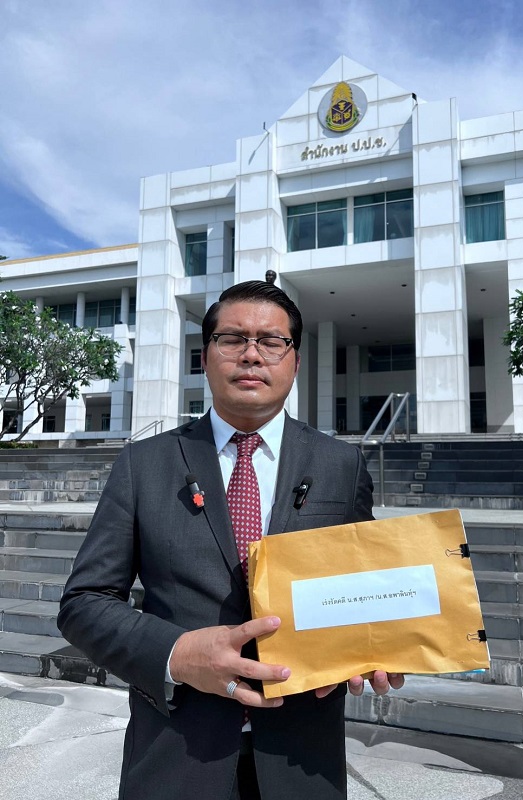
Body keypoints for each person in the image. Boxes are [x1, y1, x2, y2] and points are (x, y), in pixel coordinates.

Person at [58, 280, 404, 800]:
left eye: (271, 341)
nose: (251, 354)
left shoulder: (341, 465)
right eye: (232, 339)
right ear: (205, 357)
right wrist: (177, 653)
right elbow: (84, 603)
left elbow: (367, 587)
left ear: (295, 361)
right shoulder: (143, 464)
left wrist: (382, 642)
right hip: (177, 754)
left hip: (302, 758)